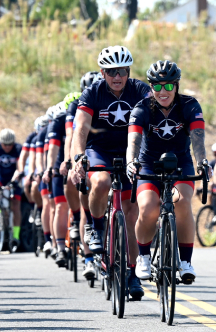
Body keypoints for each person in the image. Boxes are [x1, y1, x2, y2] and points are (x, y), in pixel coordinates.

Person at [71, 45, 151, 299]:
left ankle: (131, 273)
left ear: (129, 71)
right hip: (100, 151)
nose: (117, 76)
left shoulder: (139, 90)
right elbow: (80, 129)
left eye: (122, 71)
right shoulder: (92, 92)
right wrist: (77, 158)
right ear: (102, 72)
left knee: (131, 214)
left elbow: (154, 120)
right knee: (101, 182)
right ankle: (96, 227)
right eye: (111, 71)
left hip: (131, 153)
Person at [126, 60, 211, 284]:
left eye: (169, 86)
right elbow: (133, 141)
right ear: (151, 87)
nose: (163, 92)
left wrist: (202, 162)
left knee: (182, 203)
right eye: (157, 86)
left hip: (181, 162)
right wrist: (131, 162)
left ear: (177, 85)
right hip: (148, 163)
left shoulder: (190, 105)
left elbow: (198, 140)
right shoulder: (141, 108)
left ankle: (185, 262)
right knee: (147, 207)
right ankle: (143, 256)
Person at [0, 129, 22, 251]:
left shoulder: (18, 148)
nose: (8, 147)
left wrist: (14, 181)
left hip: (14, 179)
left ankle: (15, 236)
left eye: (10, 144)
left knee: (16, 205)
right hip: (1, 178)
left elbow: (20, 167)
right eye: (5, 144)